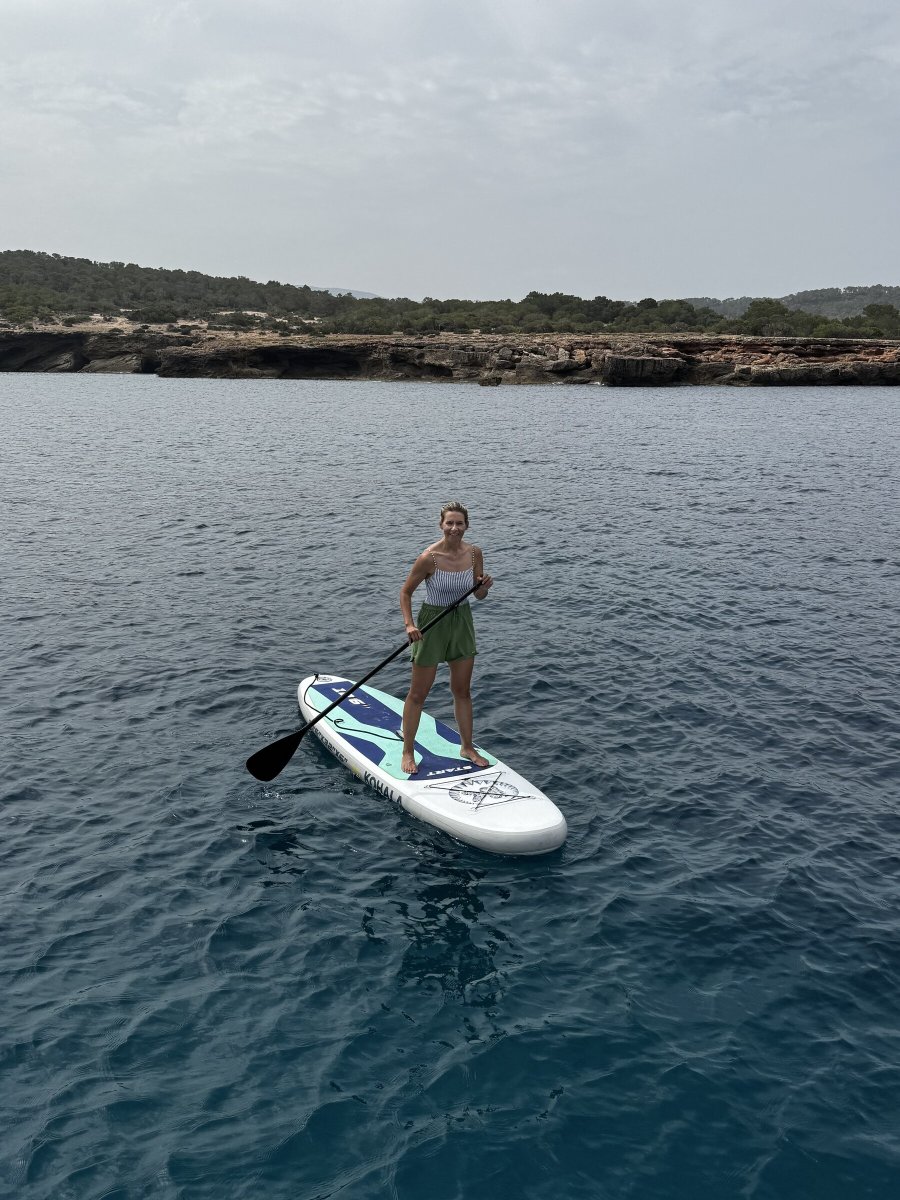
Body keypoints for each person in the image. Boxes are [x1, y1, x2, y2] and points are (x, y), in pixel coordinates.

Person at [399, 501, 494, 775]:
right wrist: (409, 624)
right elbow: (405, 592)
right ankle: (407, 751)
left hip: (462, 621)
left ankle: (467, 746)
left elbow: (478, 595)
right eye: (449, 523)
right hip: (432, 622)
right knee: (418, 693)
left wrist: (484, 587)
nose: (454, 528)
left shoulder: (475, 554)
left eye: (459, 523)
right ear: (441, 525)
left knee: (462, 691)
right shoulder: (429, 558)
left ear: (466, 526)